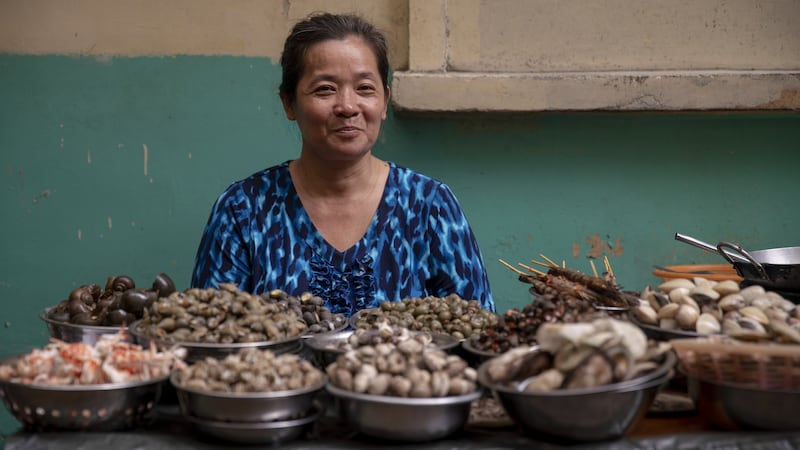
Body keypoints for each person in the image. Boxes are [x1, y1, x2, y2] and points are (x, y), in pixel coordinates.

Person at [191, 12, 494, 316]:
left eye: (365, 88)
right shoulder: (244, 210)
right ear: (288, 102)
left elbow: (479, 335)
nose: (348, 107)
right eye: (325, 89)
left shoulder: (430, 207)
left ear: (384, 101)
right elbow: (208, 340)